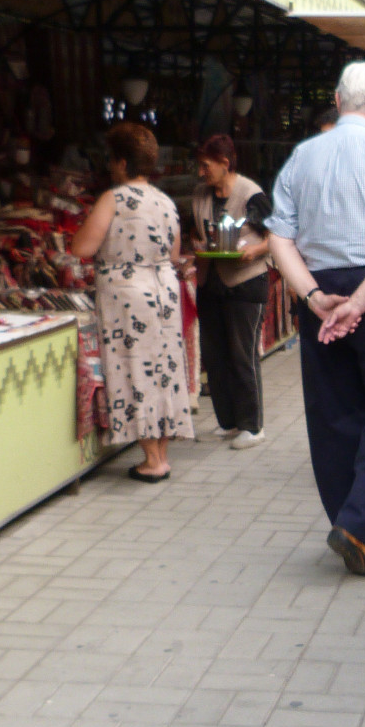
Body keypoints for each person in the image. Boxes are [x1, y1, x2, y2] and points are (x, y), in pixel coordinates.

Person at [266, 61, 365, 576]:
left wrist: (311, 296)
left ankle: (348, 520)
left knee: (332, 413)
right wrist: (363, 300)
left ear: (336, 98)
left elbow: (278, 237)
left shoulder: (303, 155)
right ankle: (357, 523)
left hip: (320, 294)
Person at [72, 122, 194, 482]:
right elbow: (173, 253)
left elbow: (82, 248)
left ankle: (153, 460)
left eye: (112, 160)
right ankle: (161, 455)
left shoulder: (115, 198)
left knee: (134, 369)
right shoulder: (165, 201)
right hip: (164, 291)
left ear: (122, 162)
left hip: (128, 297)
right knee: (164, 370)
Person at [189, 133, 270, 450]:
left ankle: (253, 425)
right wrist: (197, 245)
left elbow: (278, 236)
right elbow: (196, 231)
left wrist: (257, 249)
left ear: (225, 163)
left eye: (205, 165)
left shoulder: (251, 194)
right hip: (211, 283)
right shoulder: (199, 194)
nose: (201, 172)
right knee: (215, 355)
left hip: (245, 282)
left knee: (242, 354)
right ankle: (228, 422)